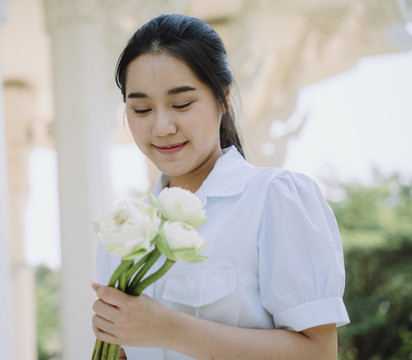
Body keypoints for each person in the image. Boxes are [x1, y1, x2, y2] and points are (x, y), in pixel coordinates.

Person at [92, 13, 349, 360]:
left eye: (181, 104)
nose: (162, 126)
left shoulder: (274, 200)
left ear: (223, 98)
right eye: (141, 109)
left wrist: (169, 329)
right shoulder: (124, 233)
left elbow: (318, 353)